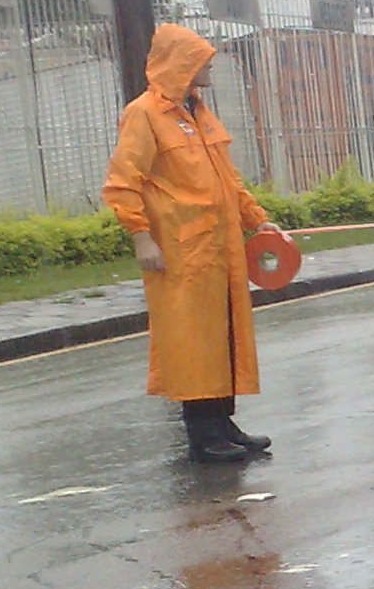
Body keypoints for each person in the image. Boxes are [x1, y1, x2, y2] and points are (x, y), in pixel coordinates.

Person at [103, 24, 283, 465]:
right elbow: (124, 182)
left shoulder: (198, 113)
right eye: (202, 60)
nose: (209, 67)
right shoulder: (145, 115)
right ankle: (203, 433)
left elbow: (228, 179)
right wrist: (142, 238)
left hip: (219, 247)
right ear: (181, 62)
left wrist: (259, 221)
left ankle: (224, 422)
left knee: (224, 335)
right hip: (181, 248)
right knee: (193, 341)